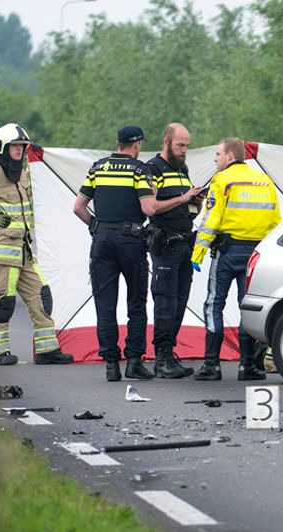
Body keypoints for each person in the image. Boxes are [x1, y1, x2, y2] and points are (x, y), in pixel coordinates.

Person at [73, 125, 203, 381]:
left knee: (105, 305)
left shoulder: (98, 167)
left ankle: (111, 365)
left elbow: (78, 206)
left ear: (118, 142)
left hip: (102, 241)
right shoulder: (139, 169)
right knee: (136, 303)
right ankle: (134, 362)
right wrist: (182, 198)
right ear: (137, 145)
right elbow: (149, 208)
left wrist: (96, 226)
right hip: (130, 241)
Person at [190, 137, 281, 381]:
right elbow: (275, 222)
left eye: (218, 154)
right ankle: (247, 366)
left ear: (230, 156)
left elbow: (211, 221)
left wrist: (197, 253)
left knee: (213, 304)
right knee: (248, 308)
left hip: (227, 253)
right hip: (255, 257)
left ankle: (212, 366)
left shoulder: (222, 180)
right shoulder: (265, 182)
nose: (215, 159)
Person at [0, 123, 74, 366]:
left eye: (22, 146)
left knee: (42, 296)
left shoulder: (23, 171)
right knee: (3, 302)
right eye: (15, 146)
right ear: (2, 147)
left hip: (24, 251)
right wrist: (1, 221)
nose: (19, 150)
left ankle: (46, 350)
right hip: (2, 252)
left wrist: (41, 154)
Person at [146, 123, 204, 378]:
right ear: (166, 141)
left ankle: (170, 352)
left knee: (180, 301)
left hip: (185, 242)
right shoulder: (152, 168)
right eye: (180, 145)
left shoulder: (183, 169)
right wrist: (182, 198)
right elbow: (151, 207)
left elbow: (188, 210)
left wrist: (196, 202)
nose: (184, 151)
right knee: (165, 301)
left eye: (187, 146)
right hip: (165, 243)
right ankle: (162, 357)